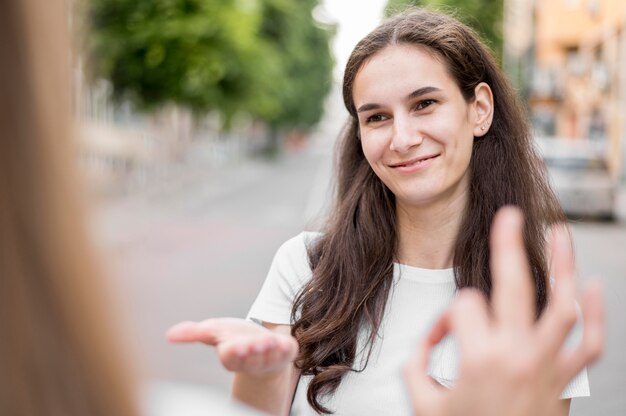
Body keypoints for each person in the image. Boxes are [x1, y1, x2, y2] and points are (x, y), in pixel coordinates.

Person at [167, 7, 604, 416]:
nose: (402, 138)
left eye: (425, 104)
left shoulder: (532, 296)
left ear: (480, 110)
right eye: (376, 117)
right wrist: (257, 372)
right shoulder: (304, 267)